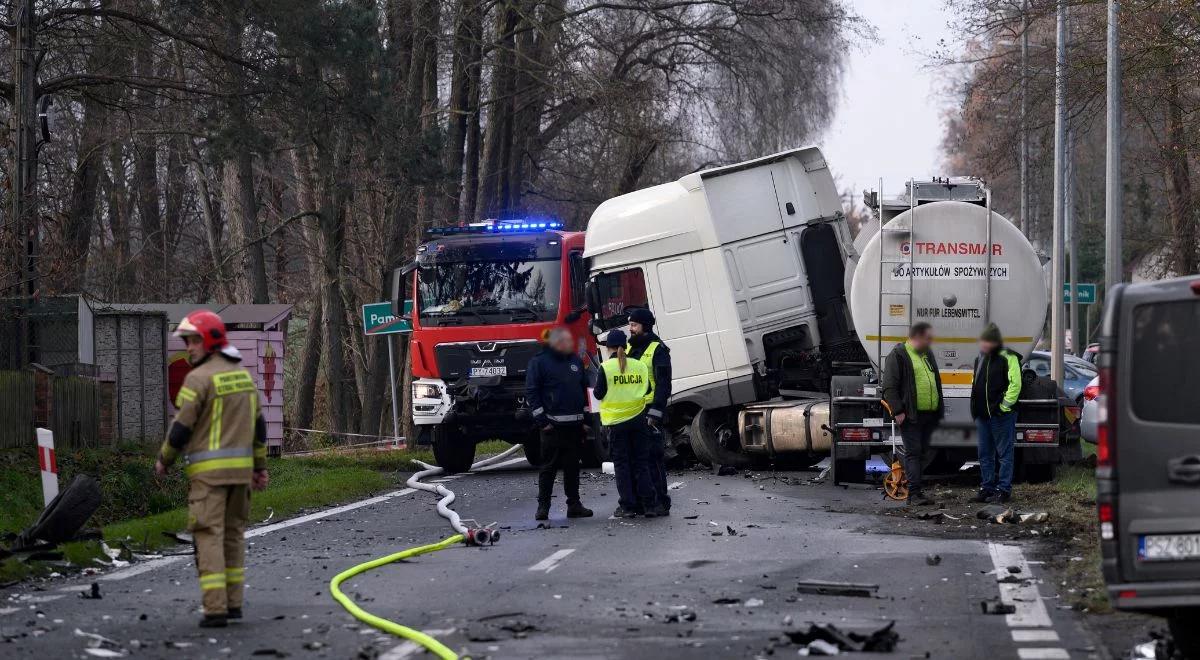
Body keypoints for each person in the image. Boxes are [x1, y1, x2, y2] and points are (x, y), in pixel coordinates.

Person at [154, 310, 269, 628]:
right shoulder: (243, 376)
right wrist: (259, 467)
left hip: (209, 477)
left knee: (208, 535)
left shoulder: (198, 379)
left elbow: (181, 428)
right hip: (241, 475)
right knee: (233, 536)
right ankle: (234, 605)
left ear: (209, 341)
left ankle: (215, 608)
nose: (188, 348)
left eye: (192, 341)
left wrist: (164, 459)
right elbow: (259, 428)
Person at [525, 327, 593, 521]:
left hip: (575, 427)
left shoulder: (575, 362)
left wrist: (586, 420)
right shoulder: (539, 363)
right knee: (548, 468)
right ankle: (543, 507)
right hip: (552, 428)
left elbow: (585, 392)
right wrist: (542, 421)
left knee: (572, 468)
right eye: (565, 341)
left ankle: (574, 505)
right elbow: (532, 393)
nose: (569, 344)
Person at [594, 329, 663, 518]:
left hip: (617, 423)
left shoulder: (606, 367)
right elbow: (648, 388)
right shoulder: (639, 366)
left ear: (609, 348)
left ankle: (628, 506)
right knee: (642, 463)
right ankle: (649, 505)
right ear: (625, 346)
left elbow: (598, 393)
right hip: (639, 420)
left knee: (622, 465)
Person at [881, 322, 944, 506]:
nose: (930, 341)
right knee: (914, 453)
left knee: (923, 453)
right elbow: (889, 386)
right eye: (927, 338)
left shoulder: (926, 354)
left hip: (928, 415)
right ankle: (914, 494)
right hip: (910, 415)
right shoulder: (899, 355)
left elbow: (935, 381)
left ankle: (917, 491)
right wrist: (898, 411)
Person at [970, 323, 1022, 504]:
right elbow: (975, 384)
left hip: (1001, 416)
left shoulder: (1008, 357)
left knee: (1004, 454)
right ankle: (987, 488)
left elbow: (1015, 385)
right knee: (984, 454)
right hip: (983, 416)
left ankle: (1004, 490)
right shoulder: (981, 358)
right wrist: (975, 410)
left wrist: (1003, 408)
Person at [626, 307, 672, 514]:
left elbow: (663, 384)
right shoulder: (630, 349)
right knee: (635, 460)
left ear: (645, 326)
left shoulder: (657, 349)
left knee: (652, 458)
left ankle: (661, 501)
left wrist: (656, 412)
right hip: (631, 411)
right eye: (630, 324)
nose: (630, 328)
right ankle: (643, 501)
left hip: (649, 411)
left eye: (634, 325)